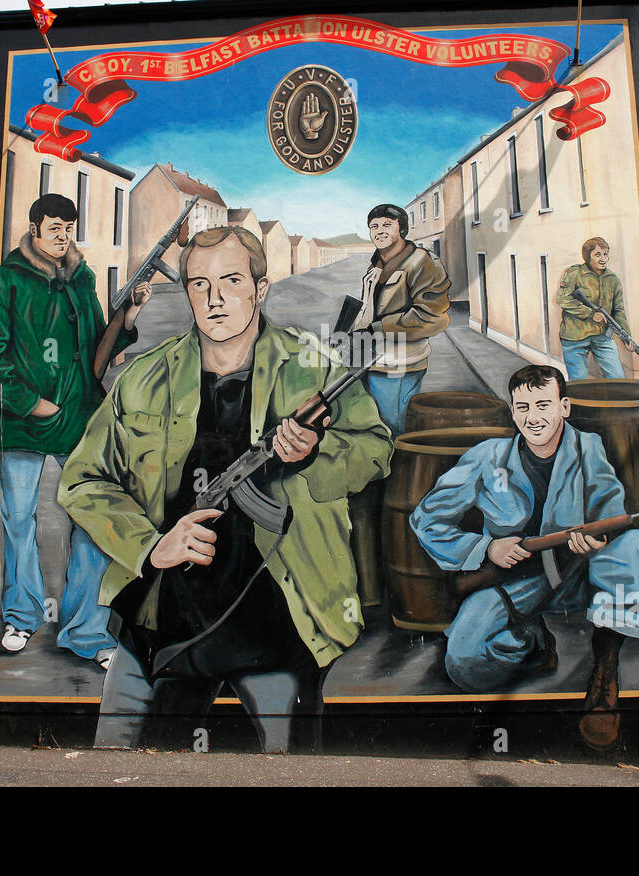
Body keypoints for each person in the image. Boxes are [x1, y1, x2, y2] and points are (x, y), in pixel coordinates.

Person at [58, 225, 392, 752]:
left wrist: (313, 453)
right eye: (198, 285)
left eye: (231, 281)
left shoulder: (313, 369)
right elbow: (82, 479)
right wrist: (149, 545)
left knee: (294, 764)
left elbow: (375, 450)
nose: (214, 300)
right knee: (115, 759)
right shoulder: (145, 377)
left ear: (260, 289)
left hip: (281, 608)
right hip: (163, 614)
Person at [410, 364, 639, 750]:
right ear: (512, 411)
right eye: (522, 407)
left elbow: (610, 508)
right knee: (464, 663)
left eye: (543, 404)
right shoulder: (487, 457)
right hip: (519, 580)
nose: (533, 417)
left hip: (580, 573)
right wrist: (486, 548)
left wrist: (598, 537)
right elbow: (427, 519)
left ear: (565, 407)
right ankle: (535, 646)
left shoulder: (587, 447)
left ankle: (605, 673)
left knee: (634, 545)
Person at [0, 193, 147, 670]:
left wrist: (126, 318)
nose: (62, 235)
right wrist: (30, 402)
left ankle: (86, 630)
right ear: (34, 227)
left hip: (78, 418)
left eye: (68, 226)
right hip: (22, 423)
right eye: (54, 227)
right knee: (19, 520)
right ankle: (21, 616)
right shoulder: (8, 280)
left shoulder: (81, 278)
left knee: (91, 518)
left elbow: (97, 348)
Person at [349, 203, 450, 434]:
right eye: (373, 226)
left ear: (402, 228)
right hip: (369, 362)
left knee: (393, 429)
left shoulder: (422, 262)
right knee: (372, 430)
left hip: (400, 365)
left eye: (387, 224)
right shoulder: (376, 264)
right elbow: (368, 309)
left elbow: (432, 315)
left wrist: (379, 329)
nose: (379, 231)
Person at [555, 236, 630, 381]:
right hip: (575, 336)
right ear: (587, 256)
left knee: (618, 379)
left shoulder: (613, 279)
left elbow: (619, 310)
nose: (603, 259)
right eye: (598, 254)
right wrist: (590, 314)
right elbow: (563, 299)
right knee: (578, 382)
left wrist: (626, 336)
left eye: (605, 254)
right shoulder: (574, 274)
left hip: (602, 336)